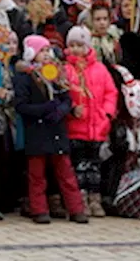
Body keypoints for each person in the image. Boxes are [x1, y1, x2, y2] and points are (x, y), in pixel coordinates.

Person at [13, 35, 87, 225]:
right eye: (41, 51)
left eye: (47, 50)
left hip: (56, 128)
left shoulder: (56, 73)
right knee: (37, 175)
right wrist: (46, 109)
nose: (46, 55)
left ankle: (76, 208)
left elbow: (66, 97)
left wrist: (62, 110)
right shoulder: (25, 78)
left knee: (66, 172)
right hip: (37, 130)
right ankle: (39, 209)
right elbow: (21, 106)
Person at [63, 25, 118, 217]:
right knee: (78, 166)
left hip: (97, 127)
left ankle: (95, 198)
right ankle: (80, 199)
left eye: (80, 45)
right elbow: (63, 95)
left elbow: (111, 92)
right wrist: (71, 110)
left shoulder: (100, 69)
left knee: (95, 166)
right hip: (75, 127)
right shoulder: (66, 70)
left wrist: (107, 114)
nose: (77, 49)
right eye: (73, 45)